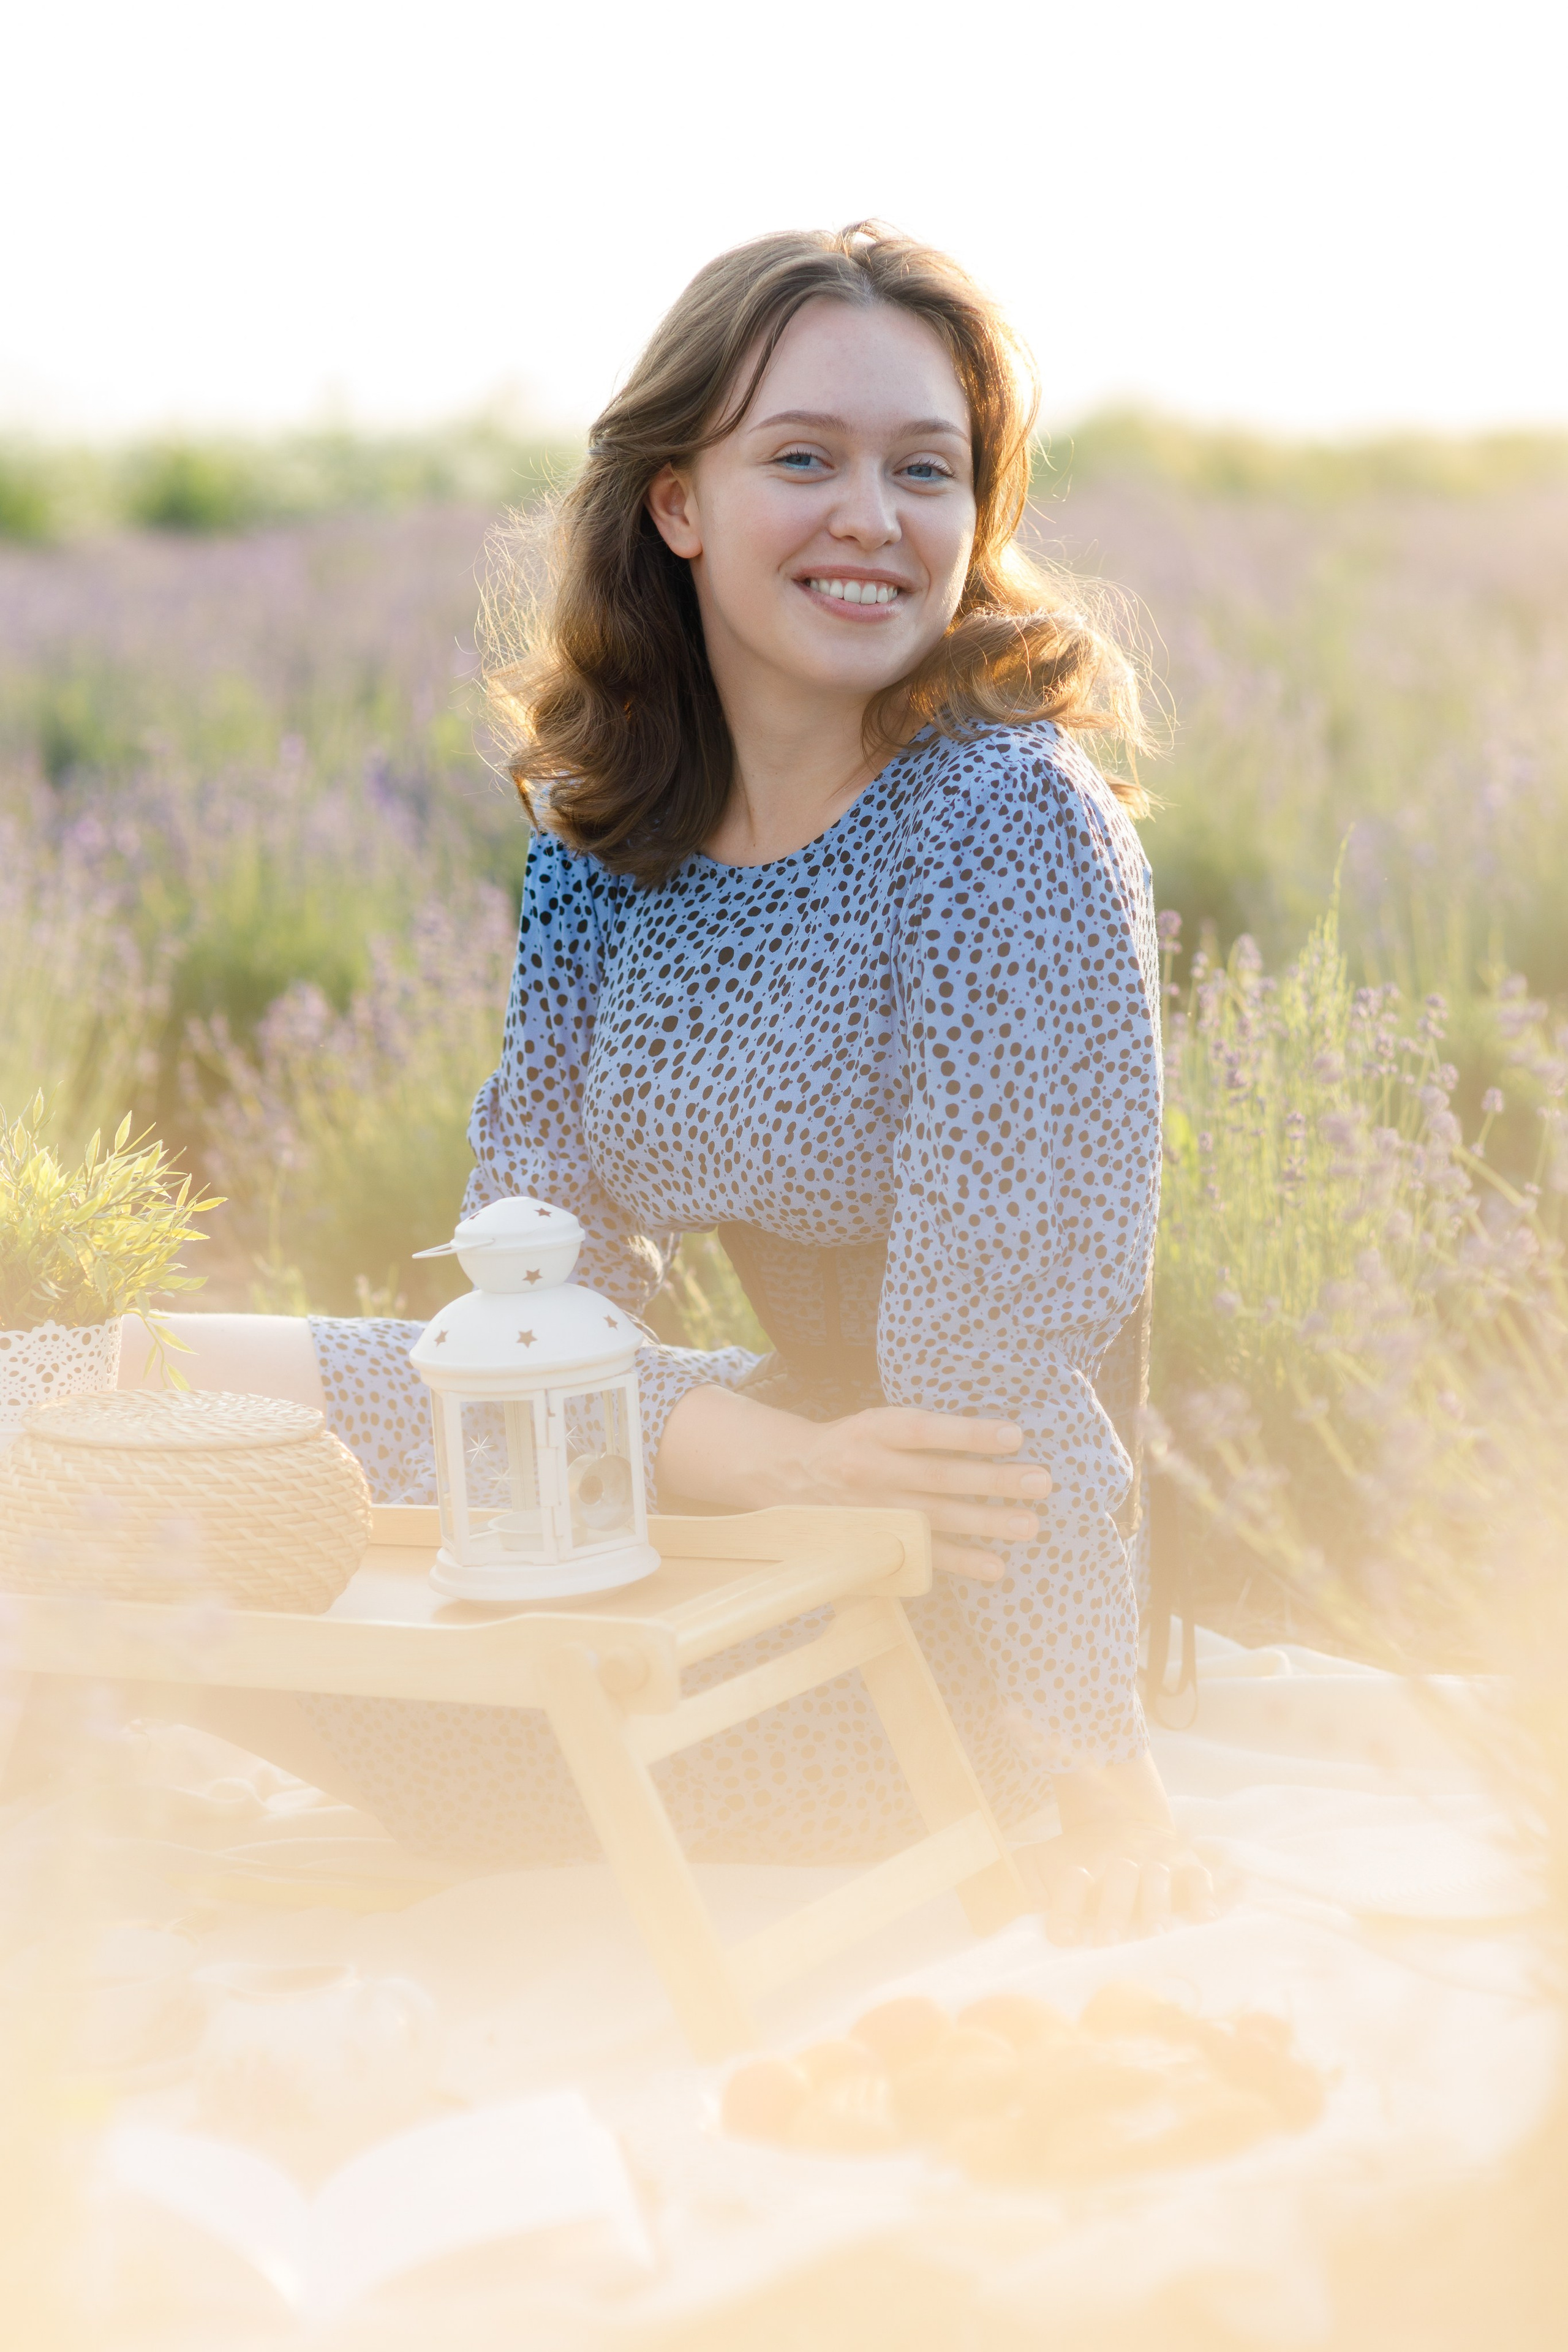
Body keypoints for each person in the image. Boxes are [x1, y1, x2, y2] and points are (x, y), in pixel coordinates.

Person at [119, 222, 1214, 1943]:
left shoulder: (1007, 825)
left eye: (927, 469)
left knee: (188, 1566)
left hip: (927, 1607)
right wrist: (725, 1451)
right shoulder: (605, 844)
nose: (874, 514)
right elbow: (524, 1259)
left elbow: (993, 1389)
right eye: (805, 457)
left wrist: (1098, 1776)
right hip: (706, 1469)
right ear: (677, 502)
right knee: (120, 1382)